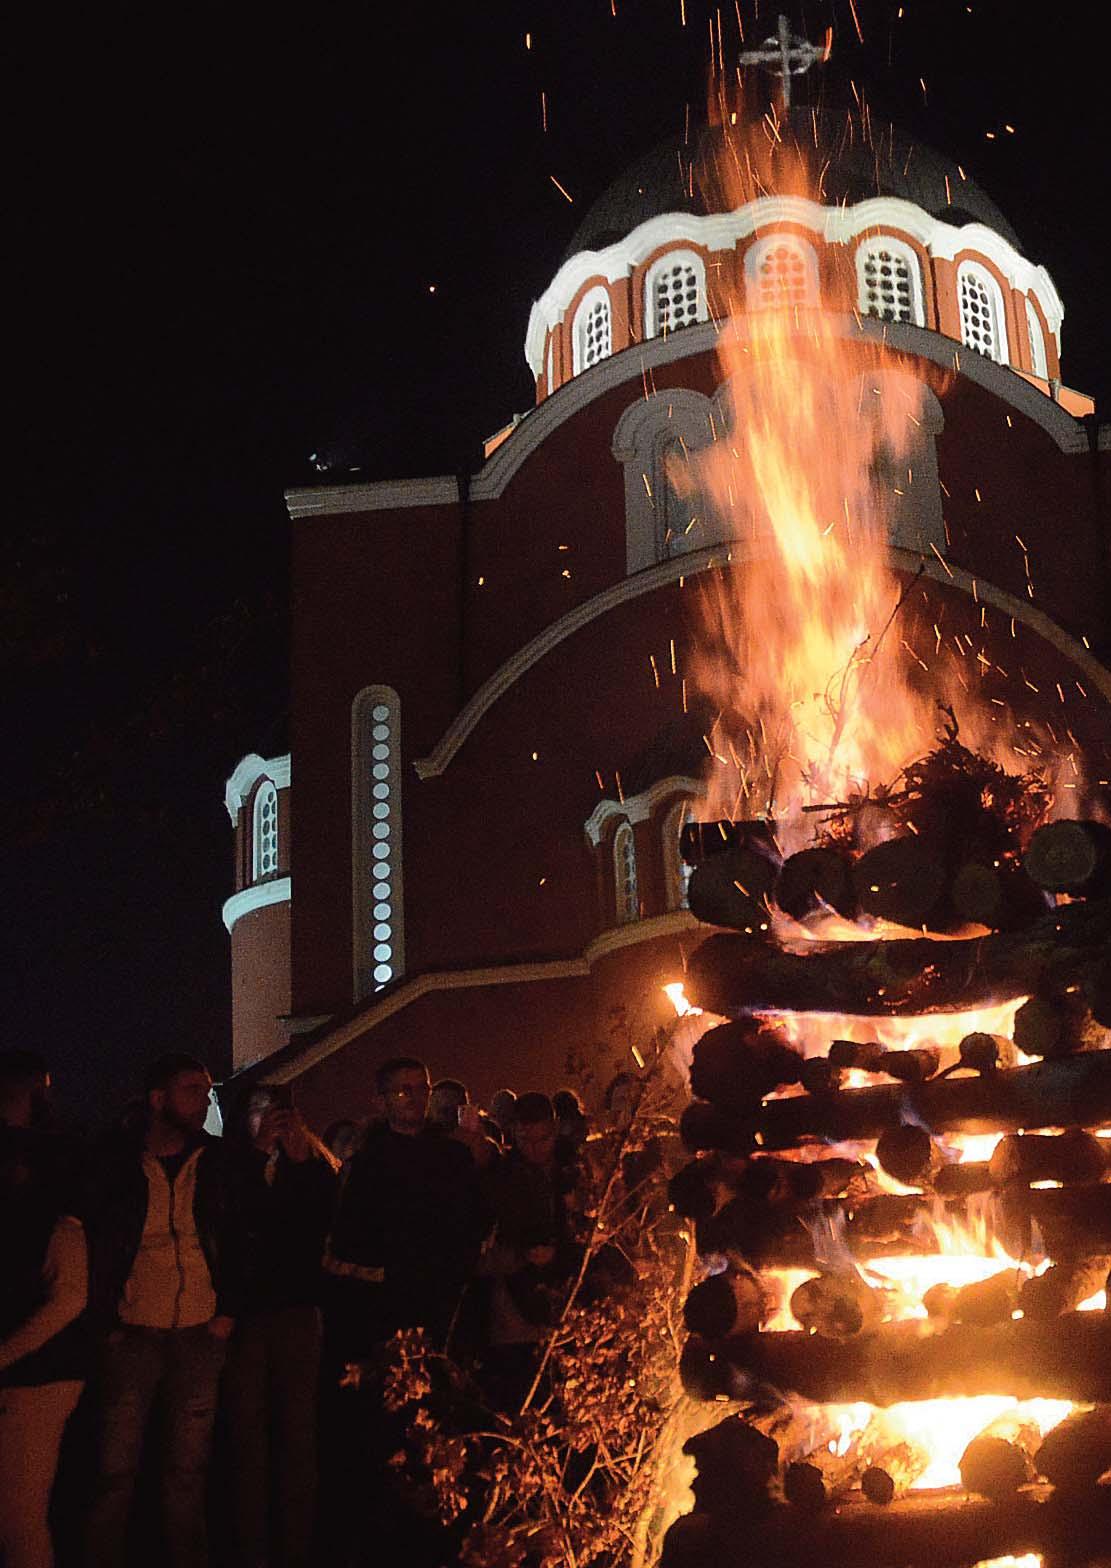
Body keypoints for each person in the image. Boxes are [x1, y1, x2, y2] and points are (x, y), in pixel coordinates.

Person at [83, 1053, 243, 1568]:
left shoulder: (217, 1161)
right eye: (191, 1090)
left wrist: (226, 1313)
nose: (203, 1100)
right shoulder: (116, 1162)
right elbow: (95, 1240)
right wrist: (107, 1322)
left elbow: (241, 1238)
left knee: (187, 1471)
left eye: (206, 1090)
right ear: (158, 1099)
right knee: (114, 1471)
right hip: (134, 1331)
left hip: (200, 1328)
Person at [222, 1085, 339, 1568]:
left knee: (297, 1435)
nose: (272, 1120)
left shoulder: (311, 1166)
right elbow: (234, 1218)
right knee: (247, 1436)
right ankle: (250, 1549)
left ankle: (296, 1548)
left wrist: (301, 1161)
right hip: (246, 1315)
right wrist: (258, 1154)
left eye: (280, 1112)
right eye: (260, 1111)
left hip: (296, 1309)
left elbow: (320, 1220)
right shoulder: (231, 1164)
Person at [324, 1057, 489, 1355]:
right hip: (390, 1298)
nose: (414, 1099)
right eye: (403, 1091)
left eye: (421, 1089)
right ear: (382, 1101)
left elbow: (477, 1215)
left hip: (447, 1291)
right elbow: (350, 1236)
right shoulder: (367, 1164)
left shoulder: (453, 1153)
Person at [0, 1123, 88, 1568]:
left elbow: (68, 1300)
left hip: (36, 1380)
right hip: (30, 1377)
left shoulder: (55, 1226)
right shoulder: (33, 1221)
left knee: (18, 1515)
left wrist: (4, 1355)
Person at [480, 1092, 590, 1410]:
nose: (534, 1149)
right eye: (525, 1140)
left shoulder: (575, 1171)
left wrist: (563, 1253)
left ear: (554, 1131)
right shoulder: (501, 1178)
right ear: (514, 1133)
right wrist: (519, 1256)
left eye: (542, 1139)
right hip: (517, 1314)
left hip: (572, 1303)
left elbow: (592, 1231)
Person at [428, 1078, 499, 1169]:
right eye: (444, 1110)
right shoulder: (422, 1134)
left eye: (450, 1109)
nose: (448, 1114)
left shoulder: (482, 1132)